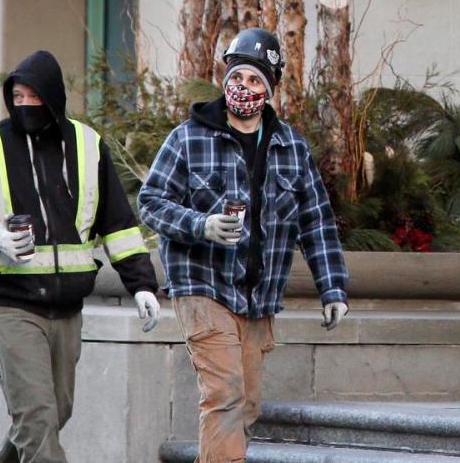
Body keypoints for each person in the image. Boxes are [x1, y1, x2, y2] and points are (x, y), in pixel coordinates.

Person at [0, 50, 160, 463]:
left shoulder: (88, 145)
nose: (24, 106)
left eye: (33, 97)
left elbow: (118, 224)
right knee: (36, 420)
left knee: (54, 414)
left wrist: (142, 285)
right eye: (17, 97)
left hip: (67, 306)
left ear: (53, 98)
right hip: (10, 303)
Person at [139, 27, 348, 463]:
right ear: (225, 80)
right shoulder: (188, 138)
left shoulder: (290, 146)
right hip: (203, 287)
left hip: (258, 298)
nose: (244, 88)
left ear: (270, 88)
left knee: (247, 404)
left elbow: (316, 221)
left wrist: (333, 289)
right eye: (237, 78)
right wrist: (202, 225)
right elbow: (151, 203)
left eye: (255, 81)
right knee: (226, 396)